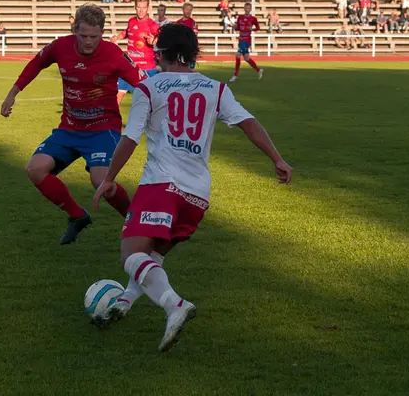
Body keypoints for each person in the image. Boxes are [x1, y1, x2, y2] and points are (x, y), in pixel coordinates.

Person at [91, 23, 292, 351]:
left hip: (161, 185)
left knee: (130, 255)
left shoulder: (149, 87)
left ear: (163, 53)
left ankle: (175, 305)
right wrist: (277, 159)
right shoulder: (216, 88)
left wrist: (110, 177)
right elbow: (248, 123)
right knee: (151, 257)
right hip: (197, 195)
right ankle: (123, 302)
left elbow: (130, 138)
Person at [0, 4, 143, 245]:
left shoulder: (114, 55)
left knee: (100, 181)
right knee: (35, 169)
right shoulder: (60, 46)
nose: (88, 42)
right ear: (74, 30)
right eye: (83, 35)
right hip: (69, 128)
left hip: (102, 128)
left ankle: (135, 222)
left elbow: (143, 84)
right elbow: (36, 64)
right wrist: (13, 92)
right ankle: (77, 215)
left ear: (102, 33)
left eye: (94, 37)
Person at [111, 0, 160, 106]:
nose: (141, 10)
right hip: (130, 66)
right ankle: (113, 123)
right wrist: (117, 37)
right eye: (139, 7)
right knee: (117, 96)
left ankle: (151, 123)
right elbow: (126, 32)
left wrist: (155, 40)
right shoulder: (131, 21)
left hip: (147, 69)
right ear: (135, 7)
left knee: (150, 101)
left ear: (148, 8)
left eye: (144, 7)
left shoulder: (152, 25)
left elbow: (161, 38)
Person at [230, 2, 262, 82]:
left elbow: (258, 28)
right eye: (246, 8)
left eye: (248, 8)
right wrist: (235, 27)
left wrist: (252, 29)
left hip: (247, 40)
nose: (247, 10)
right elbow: (238, 28)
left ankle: (235, 75)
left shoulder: (253, 19)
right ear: (244, 9)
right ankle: (258, 70)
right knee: (246, 58)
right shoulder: (240, 17)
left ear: (250, 9)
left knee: (238, 55)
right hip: (241, 39)